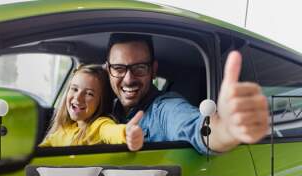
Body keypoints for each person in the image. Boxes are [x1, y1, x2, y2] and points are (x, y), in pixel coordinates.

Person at [105, 33, 269, 154]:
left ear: (153, 71)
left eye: (139, 68)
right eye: (119, 68)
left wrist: (227, 128)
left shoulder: (165, 109)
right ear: (108, 70)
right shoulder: (103, 108)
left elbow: (195, 127)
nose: (128, 79)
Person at [39, 64, 144, 151]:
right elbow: (38, 154)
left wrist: (126, 133)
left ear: (101, 101)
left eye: (89, 94)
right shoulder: (62, 131)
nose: (78, 98)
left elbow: (111, 132)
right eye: (74, 89)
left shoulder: (99, 126)